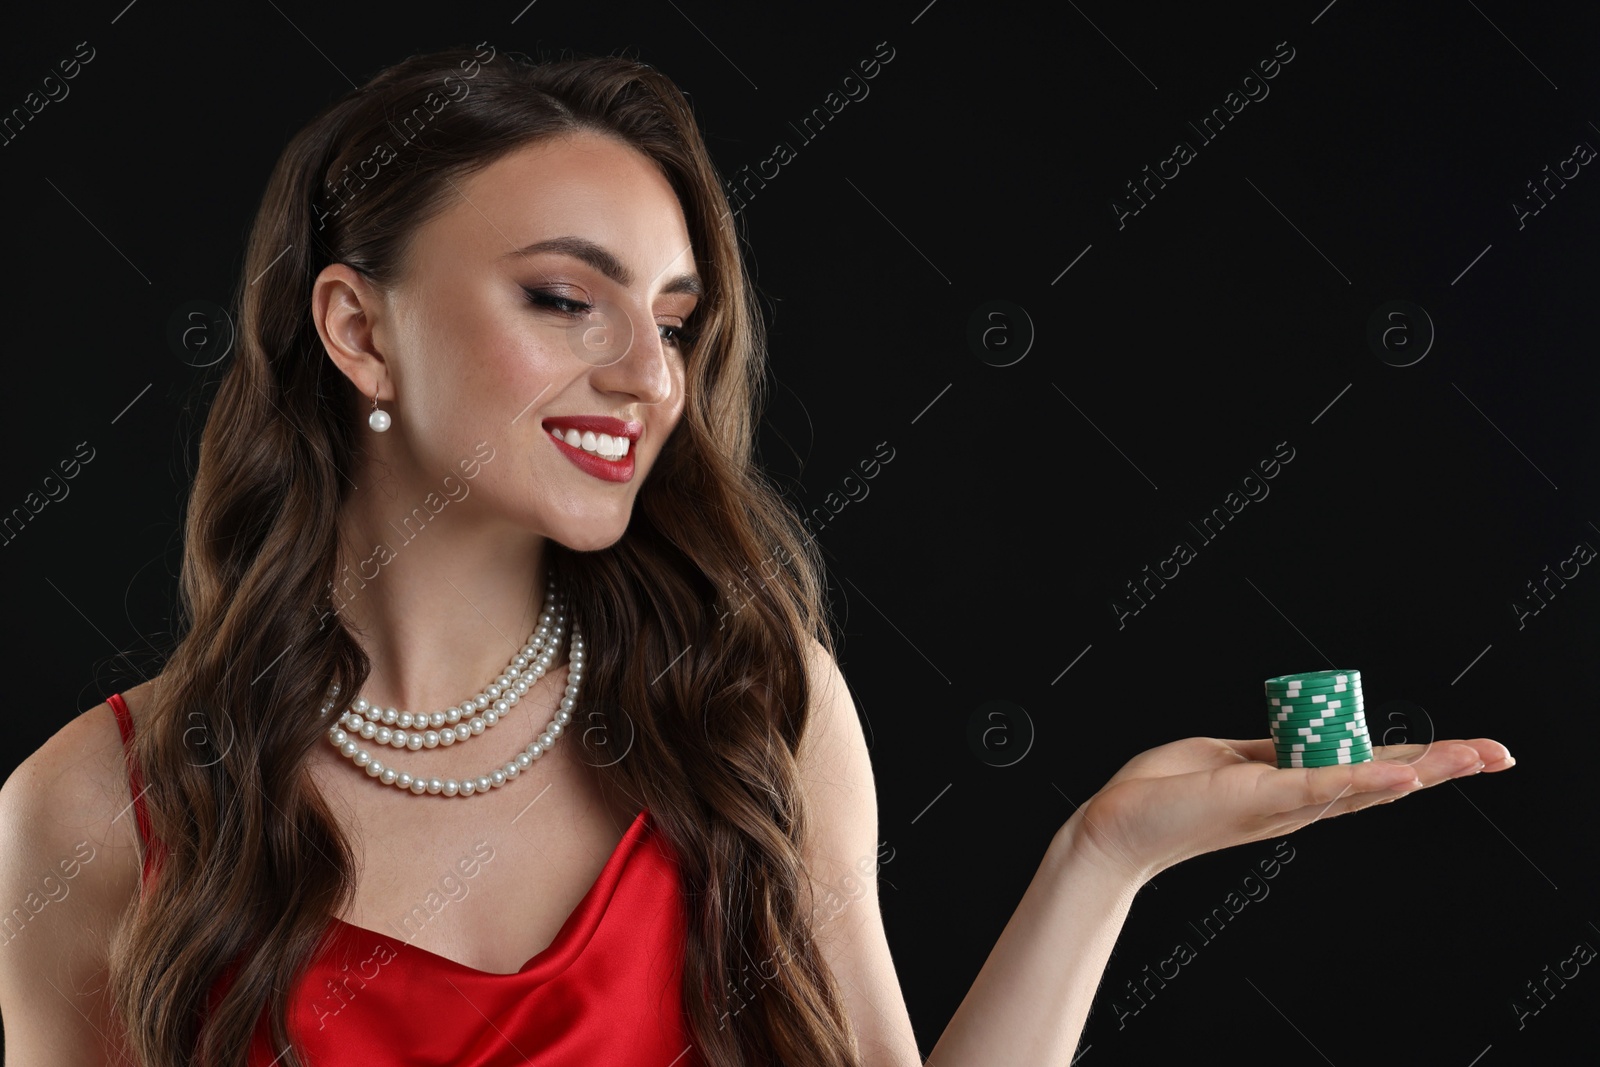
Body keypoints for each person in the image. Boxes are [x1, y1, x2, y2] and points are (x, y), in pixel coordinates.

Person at [0, 43, 1513, 1067]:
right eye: (559, 298)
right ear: (353, 328)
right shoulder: (85, 810)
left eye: (671, 322)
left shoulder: (749, 704)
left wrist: (1103, 859)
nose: (651, 378)